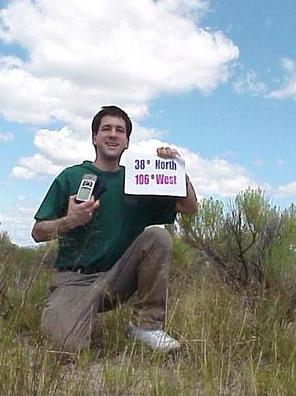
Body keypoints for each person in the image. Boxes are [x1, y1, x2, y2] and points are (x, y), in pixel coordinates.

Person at [32, 105, 198, 359]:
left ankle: (147, 325)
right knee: (65, 352)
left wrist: (177, 171)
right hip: (74, 280)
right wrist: (70, 220)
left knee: (157, 236)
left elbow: (189, 207)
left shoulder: (138, 180)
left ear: (127, 141)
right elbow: (38, 232)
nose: (112, 134)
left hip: (117, 278)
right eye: (106, 129)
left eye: (120, 130)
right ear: (94, 138)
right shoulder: (71, 176)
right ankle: (74, 316)